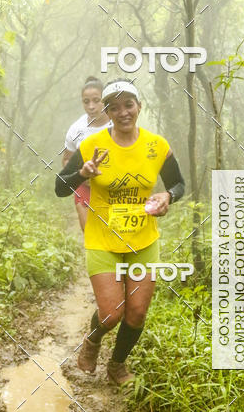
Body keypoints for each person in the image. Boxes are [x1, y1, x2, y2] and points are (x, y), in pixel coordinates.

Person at [55, 79, 185, 385]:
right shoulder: (91, 145)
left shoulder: (157, 146)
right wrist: (82, 173)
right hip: (103, 238)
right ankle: (93, 339)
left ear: (139, 107)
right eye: (115, 107)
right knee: (112, 313)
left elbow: (178, 184)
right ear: (108, 111)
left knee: (136, 312)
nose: (123, 112)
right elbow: (60, 187)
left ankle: (117, 365)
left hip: (143, 239)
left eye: (129, 105)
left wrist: (169, 197)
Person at [62, 76, 110, 231]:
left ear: (106, 100)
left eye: (97, 100)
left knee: (114, 235)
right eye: (86, 101)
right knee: (91, 234)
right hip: (85, 187)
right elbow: (66, 160)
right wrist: (81, 176)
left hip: (114, 187)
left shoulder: (117, 123)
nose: (91, 106)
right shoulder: (76, 129)